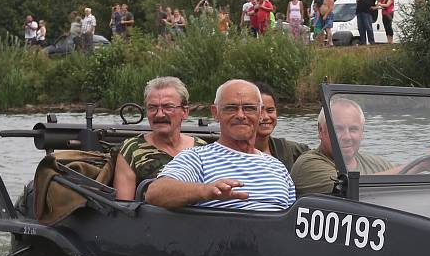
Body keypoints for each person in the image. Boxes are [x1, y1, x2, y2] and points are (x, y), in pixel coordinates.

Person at [145, 79, 296, 210]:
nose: (241, 115)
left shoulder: (278, 167)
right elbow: (156, 192)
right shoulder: (196, 158)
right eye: (231, 108)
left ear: (260, 113)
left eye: (249, 108)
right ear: (215, 113)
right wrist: (206, 191)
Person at [290, 98, 430, 196]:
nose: (346, 137)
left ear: (362, 133)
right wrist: (420, 165)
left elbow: (403, 180)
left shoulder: (376, 163)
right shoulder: (308, 165)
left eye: (353, 129)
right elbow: (348, 187)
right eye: (337, 129)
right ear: (321, 131)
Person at [114, 77, 208, 200]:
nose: (159, 114)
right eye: (152, 108)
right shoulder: (131, 150)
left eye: (168, 107)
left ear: (184, 112)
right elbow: (124, 207)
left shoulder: (201, 148)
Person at [254, 82, 310, 171]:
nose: (265, 117)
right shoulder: (233, 154)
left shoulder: (291, 150)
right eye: (259, 111)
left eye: (270, 110)